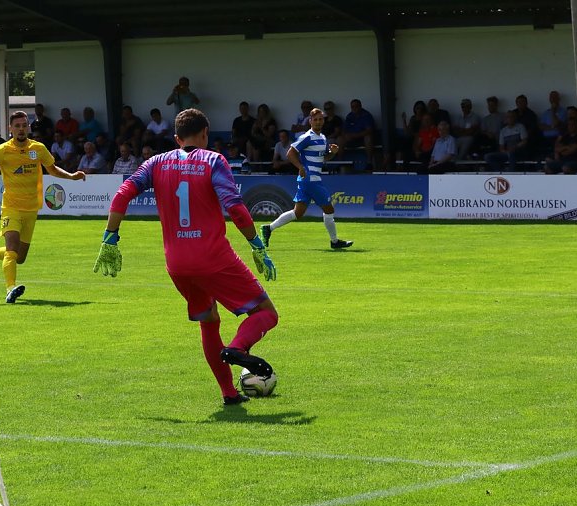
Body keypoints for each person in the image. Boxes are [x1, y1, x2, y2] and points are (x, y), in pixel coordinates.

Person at [93, 108, 278, 406]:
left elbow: (122, 193)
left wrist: (110, 238)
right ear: (206, 133)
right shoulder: (214, 160)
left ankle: (229, 393)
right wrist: (256, 244)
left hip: (177, 264)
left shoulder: (155, 163)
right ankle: (238, 349)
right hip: (214, 258)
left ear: (177, 138)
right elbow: (234, 207)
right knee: (266, 313)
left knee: (209, 322)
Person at [0, 111, 85, 303]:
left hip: (31, 209)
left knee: (19, 258)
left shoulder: (38, 149)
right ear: (11, 129)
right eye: (17, 126)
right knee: (12, 250)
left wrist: (71, 176)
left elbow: (52, 169)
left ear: (28, 127)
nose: (21, 129)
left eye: (24, 125)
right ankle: (10, 289)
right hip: (11, 207)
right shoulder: (3, 150)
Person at [260, 107, 353, 250]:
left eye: (320, 119)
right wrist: (300, 167)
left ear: (323, 120)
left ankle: (268, 228)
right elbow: (290, 153)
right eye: (315, 120)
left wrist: (332, 153)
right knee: (328, 209)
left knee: (298, 213)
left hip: (308, 179)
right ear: (310, 121)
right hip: (311, 179)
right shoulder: (307, 137)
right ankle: (334, 242)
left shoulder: (322, 138)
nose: (318, 122)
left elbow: (323, 159)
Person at [336, 99, 376, 169]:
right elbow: (344, 130)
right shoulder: (349, 116)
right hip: (351, 139)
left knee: (368, 138)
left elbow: (369, 131)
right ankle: (340, 163)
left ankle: (369, 163)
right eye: (352, 107)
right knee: (339, 139)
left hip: (362, 139)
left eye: (356, 106)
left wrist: (355, 135)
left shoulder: (366, 115)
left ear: (360, 106)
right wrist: (346, 135)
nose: (354, 108)